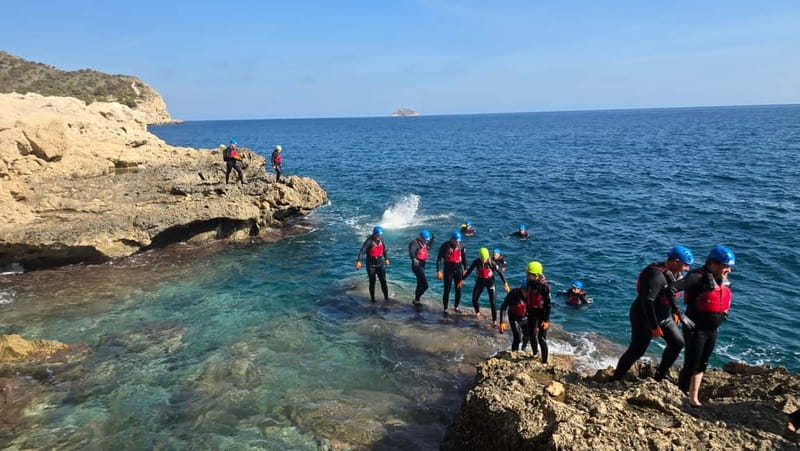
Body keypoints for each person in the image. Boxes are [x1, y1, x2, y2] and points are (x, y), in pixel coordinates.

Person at [612, 245, 694, 382]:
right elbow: (647, 302)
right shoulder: (654, 276)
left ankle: (660, 376)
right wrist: (654, 326)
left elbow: (671, 293)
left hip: (665, 316)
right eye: (685, 265)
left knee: (677, 343)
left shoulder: (676, 273)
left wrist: (674, 311)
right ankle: (615, 378)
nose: (687, 269)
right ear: (675, 261)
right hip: (644, 317)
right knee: (637, 350)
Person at [671, 245, 735, 407]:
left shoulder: (721, 278)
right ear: (712, 263)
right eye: (725, 266)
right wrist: (680, 314)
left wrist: (724, 313)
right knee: (692, 362)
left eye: (729, 267)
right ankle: (682, 393)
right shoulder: (696, 277)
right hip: (695, 327)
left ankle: (693, 398)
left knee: (703, 363)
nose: (728, 270)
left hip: (712, 329)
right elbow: (670, 290)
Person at [463, 247, 510, 326]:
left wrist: (505, 283)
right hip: (480, 281)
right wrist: (462, 279)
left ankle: (494, 321)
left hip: (490, 282)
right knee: (474, 299)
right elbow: (470, 270)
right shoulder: (477, 261)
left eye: (485, 258)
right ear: (479, 257)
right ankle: (477, 313)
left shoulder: (492, 263)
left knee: (493, 303)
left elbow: (500, 273)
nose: (484, 260)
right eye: (482, 258)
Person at [523, 261, 552, 363]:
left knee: (541, 338)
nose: (527, 275)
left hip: (542, 313)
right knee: (531, 334)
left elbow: (548, 304)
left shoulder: (544, 286)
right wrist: (526, 309)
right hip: (532, 311)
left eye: (529, 274)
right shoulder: (529, 282)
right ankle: (535, 354)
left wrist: (546, 320)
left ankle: (544, 362)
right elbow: (527, 297)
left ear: (536, 275)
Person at [355, 226, 390, 302]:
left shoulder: (381, 239)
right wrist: (359, 261)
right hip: (371, 265)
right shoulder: (369, 242)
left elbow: (384, 250)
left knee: (383, 281)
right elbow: (361, 252)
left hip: (380, 263)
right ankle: (372, 299)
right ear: (374, 234)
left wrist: (386, 258)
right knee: (372, 281)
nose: (379, 237)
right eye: (377, 235)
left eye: (380, 235)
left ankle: (386, 298)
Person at [436, 230, 467, 315]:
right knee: (447, 289)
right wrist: (438, 270)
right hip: (448, 269)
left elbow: (464, 258)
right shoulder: (445, 246)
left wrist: (465, 268)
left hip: (458, 269)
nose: (457, 243)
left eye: (458, 241)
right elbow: (439, 259)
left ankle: (456, 307)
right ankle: (445, 308)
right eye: (456, 241)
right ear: (452, 239)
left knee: (458, 289)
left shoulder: (461, 246)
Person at [498, 283, 529, 351]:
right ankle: (514, 352)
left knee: (527, 336)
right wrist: (501, 322)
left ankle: (524, 348)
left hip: (526, 317)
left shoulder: (531, 295)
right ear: (521, 289)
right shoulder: (514, 293)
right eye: (525, 291)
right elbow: (503, 307)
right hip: (514, 318)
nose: (527, 293)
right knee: (517, 338)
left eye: (528, 291)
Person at [408, 229, 434, 305]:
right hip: (417, 266)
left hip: (422, 265)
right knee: (425, 286)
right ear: (420, 237)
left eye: (427, 240)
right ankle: (416, 299)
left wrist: (432, 240)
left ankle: (417, 301)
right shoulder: (414, 243)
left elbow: (428, 248)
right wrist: (414, 259)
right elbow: (411, 252)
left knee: (419, 284)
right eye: (425, 240)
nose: (426, 241)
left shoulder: (423, 243)